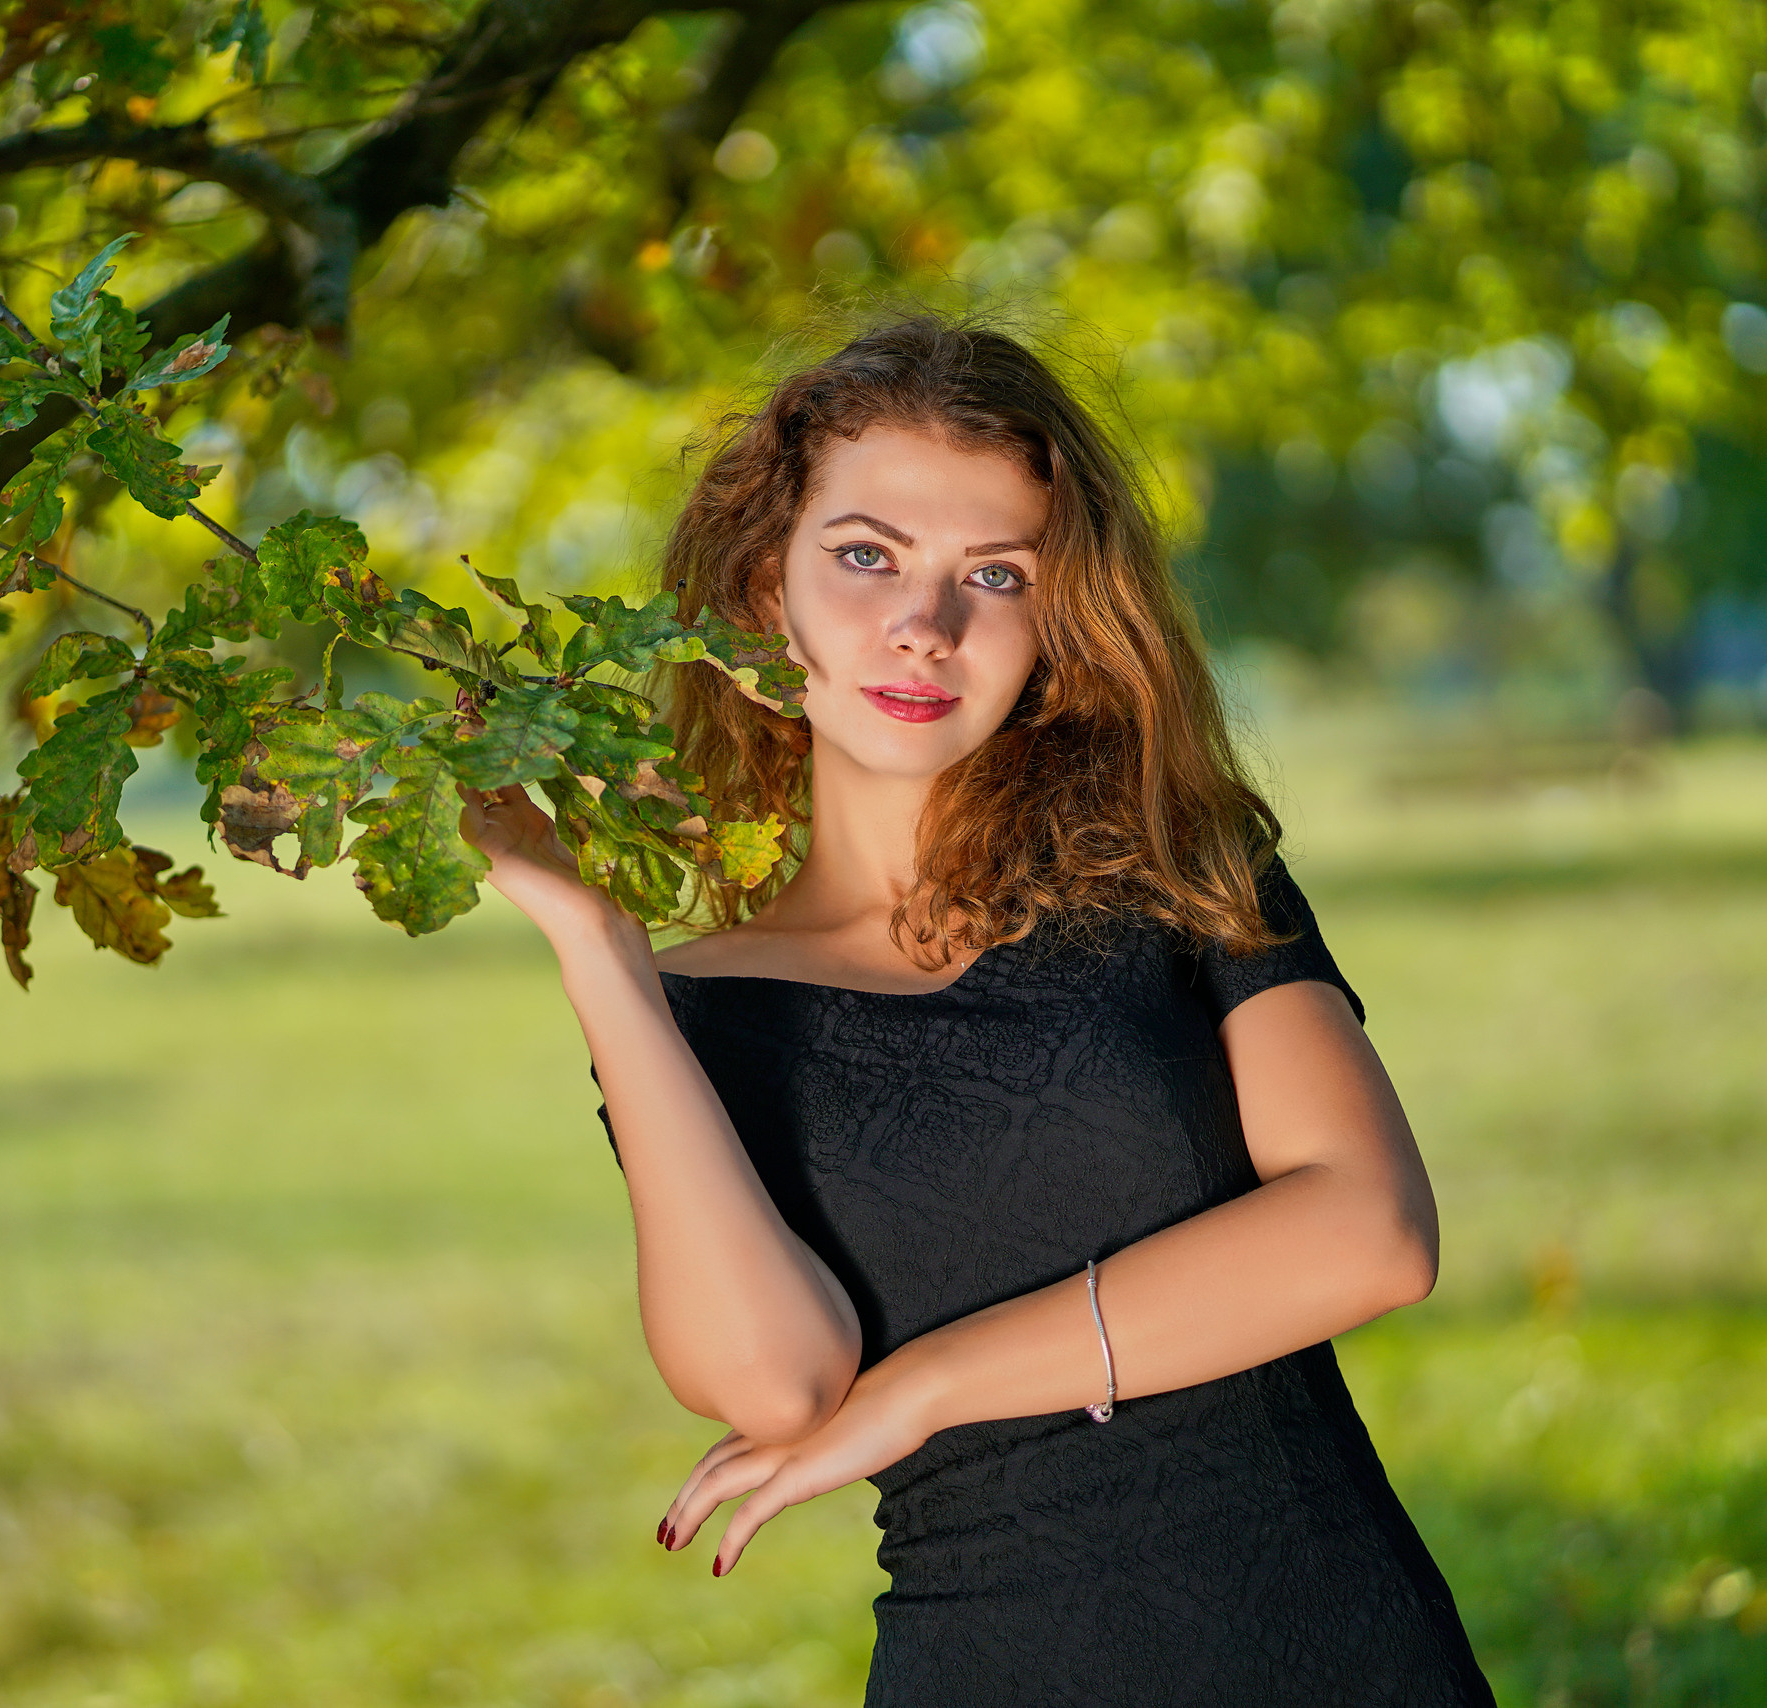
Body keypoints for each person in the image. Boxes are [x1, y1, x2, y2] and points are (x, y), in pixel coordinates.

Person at [455, 313, 1494, 1707]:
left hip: (1339, 1653)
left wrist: (922, 1390)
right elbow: (774, 1385)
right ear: (765, 590)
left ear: (1057, 622)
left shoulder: (1176, 866)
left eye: (993, 575)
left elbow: (1372, 1236)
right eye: (865, 555)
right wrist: (598, 950)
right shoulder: (693, 1010)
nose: (924, 627)